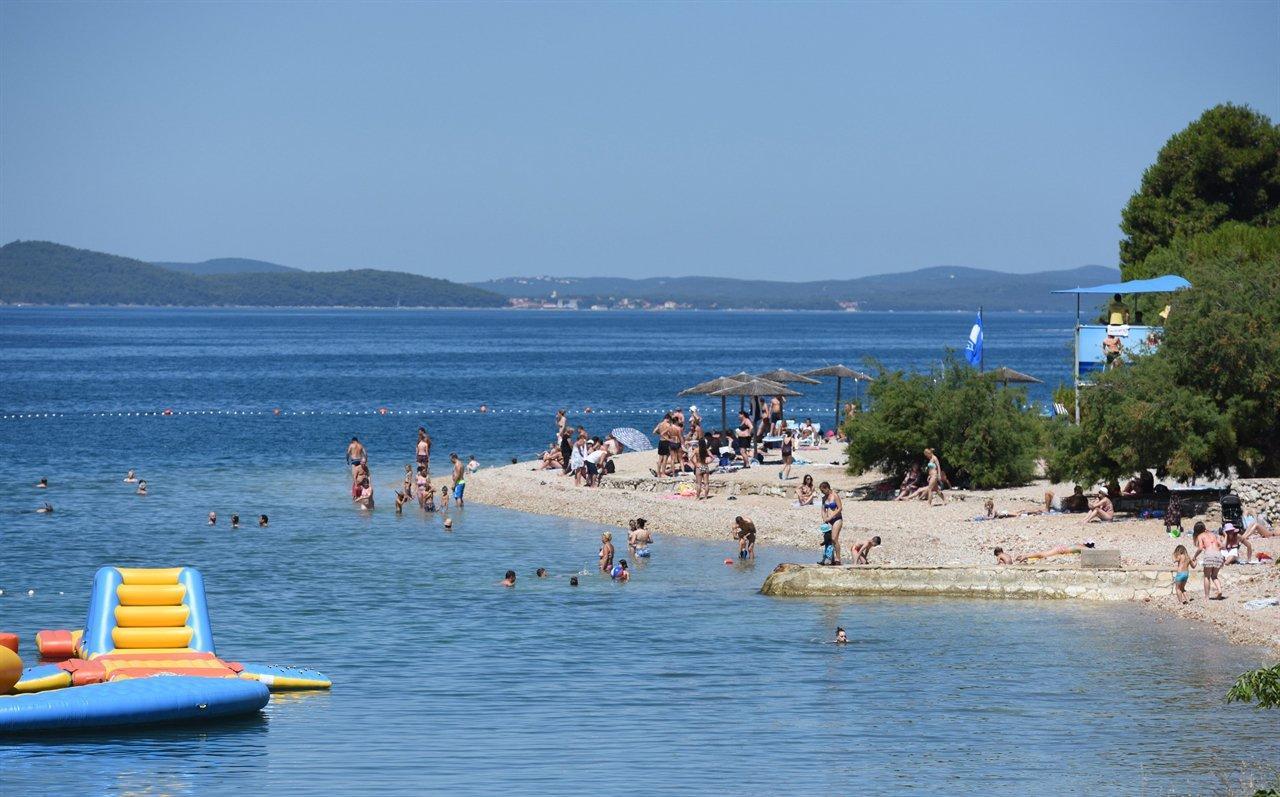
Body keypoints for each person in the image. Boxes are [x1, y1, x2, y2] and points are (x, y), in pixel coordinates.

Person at [1191, 522, 1224, 600]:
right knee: (1214, 576)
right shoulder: (1213, 534)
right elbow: (1222, 545)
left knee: (1207, 576)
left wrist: (1195, 556)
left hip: (1209, 555)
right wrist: (1216, 551)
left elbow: (1200, 548)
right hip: (1219, 555)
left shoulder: (1200, 536)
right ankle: (1219, 590)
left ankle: (1206, 597)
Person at [819, 481, 843, 564]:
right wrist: (824, 518)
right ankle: (831, 559)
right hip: (828, 520)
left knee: (834, 539)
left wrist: (831, 517)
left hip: (837, 519)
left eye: (822, 491)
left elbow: (840, 508)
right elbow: (823, 510)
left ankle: (838, 559)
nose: (822, 492)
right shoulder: (824, 498)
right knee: (828, 540)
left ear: (827, 488)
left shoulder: (835, 495)